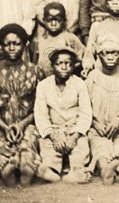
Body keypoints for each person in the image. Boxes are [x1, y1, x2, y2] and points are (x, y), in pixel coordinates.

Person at [0, 23, 43, 186]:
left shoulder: (34, 71)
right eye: (7, 44)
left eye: (16, 44)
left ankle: (25, 165)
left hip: (27, 123)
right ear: (1, 46)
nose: (12, 48)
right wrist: (4, 127)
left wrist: (22, 125)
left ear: (24, 45)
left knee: (30, 137)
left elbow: (40, 105)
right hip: (1, 126)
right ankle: (6, 167)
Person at [34, 47, 92, 183]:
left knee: (80, 147)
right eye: (59, 63)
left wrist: (75, 135)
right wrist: (54, 137)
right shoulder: (43, 86)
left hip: (74, 129)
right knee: (48, 148)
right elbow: (41, 116)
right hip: (54, 130)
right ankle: (50, 171)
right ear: (52, 66)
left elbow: (85, 113)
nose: (64, 67)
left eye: (68, 63)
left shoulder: (79, 84)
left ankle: (76, 171)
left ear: (73, 66)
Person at [86, 38, 119, 185]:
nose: (110, 57)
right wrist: (94, 123)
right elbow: (84, 106)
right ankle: (105, 170)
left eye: (114, 53)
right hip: (98, 128)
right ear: (98, 56)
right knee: (99, 148)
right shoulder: (93, 77)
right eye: (105, 53)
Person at [30, 2, 84, 77]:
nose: (53, 23)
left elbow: (82, 59)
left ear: (64, 20)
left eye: (58, 20)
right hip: (45, 82)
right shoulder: (40, 41)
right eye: (50, 19)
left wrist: (69, 69)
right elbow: (35, 64)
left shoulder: (69, 38)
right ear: (44, 20)